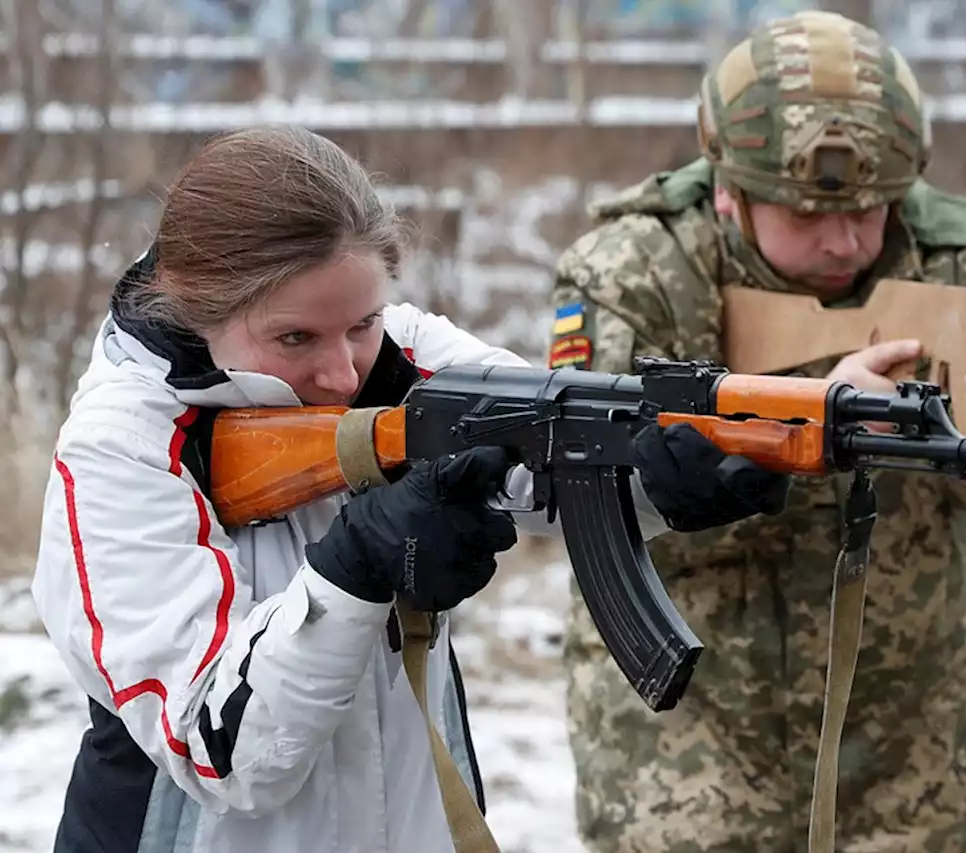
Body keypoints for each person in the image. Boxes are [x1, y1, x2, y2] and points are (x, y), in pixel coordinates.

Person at [30, 125, 791, 853]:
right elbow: (221, 750)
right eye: (296, 337)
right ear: (199, 309)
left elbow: (548, 454)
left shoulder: (406, 356)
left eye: (362, 322)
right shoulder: (119, 446)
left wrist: (663, 478)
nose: (342, 371)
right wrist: (355, 568)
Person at [548, 11, 966, 853]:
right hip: (688, 752)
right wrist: (806, 418)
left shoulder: (961, 263)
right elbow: (595, 491)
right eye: (805, 214)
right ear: (730, 189)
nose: (844, 240)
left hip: (910, 755)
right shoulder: (634, 272)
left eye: (871, 211)